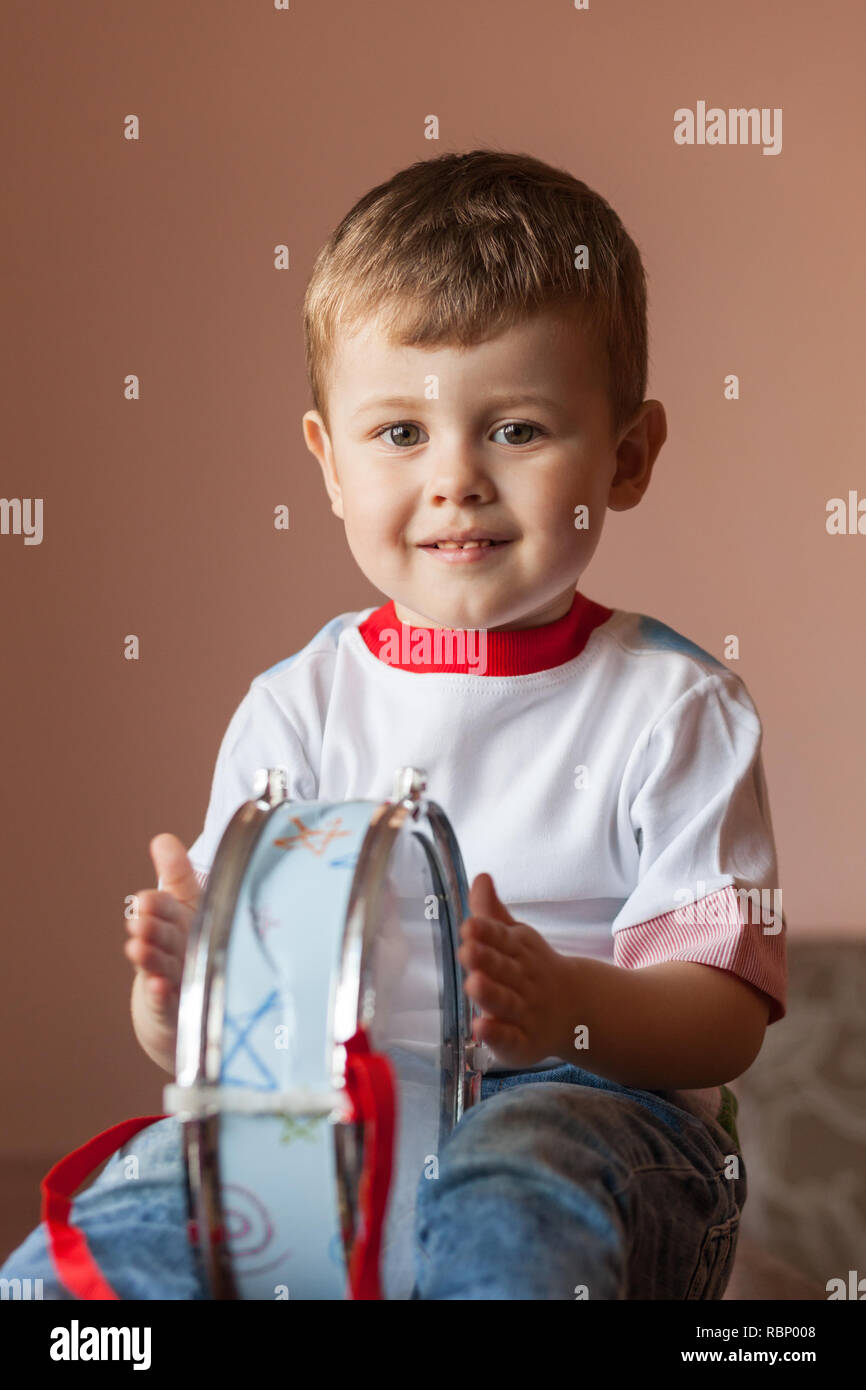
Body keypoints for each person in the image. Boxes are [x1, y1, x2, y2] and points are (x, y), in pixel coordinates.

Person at [2, 148, 785, 1300]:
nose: (454, 479)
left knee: (510, 1178)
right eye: (399, 434)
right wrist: (181, 1003)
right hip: (326, 1117)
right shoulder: (297, 706)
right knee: (145, 1191)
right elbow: (229, 1059)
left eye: (514, 430)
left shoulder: (674, 704)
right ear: (326, 461)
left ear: (626, 456)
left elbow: (721, 1022)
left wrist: (567, 1010)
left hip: (603, 1119)